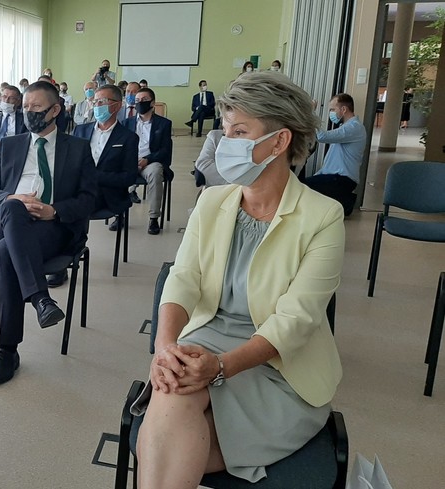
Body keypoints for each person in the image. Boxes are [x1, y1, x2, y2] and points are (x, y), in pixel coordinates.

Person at [132, 72, 344, 489]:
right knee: (175, 396)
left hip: (280, 365)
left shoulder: (323, 216)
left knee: (166, 437)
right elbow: (183, 278)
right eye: (225, 131)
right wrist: (165, 347)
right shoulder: (213, 201)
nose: (224, 143)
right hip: (206, 339)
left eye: (239, 132)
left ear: (279, 142)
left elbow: (296, 320)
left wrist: (220, 367)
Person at [0, 81, 97, 385]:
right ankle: (40, 298)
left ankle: (7, 351)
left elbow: (89, 199)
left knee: (6, 252)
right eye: (25, 107)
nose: (28, 112)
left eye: (36, 107)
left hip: (50, 227)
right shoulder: (10, 145)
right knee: (12, 208)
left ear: (55, 110)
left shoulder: (78, 148)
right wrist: (11, 199)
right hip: (3, 219)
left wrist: (54, 210)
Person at [71, 84, 139, 234]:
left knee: (71, 208)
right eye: (95, 102)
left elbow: (129, 177)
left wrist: (94, 176)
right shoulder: (80, 131)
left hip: (106, 193)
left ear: (117, 106)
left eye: (102, 101)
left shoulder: (128, 138)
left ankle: (75, 243)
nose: (97, 105)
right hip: (77, 188)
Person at [304, 93, 366, 216]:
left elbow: (321, 136)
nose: (331, 113)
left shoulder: (354, 128)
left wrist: (310, 113)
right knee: (304, 185)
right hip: (333, 177)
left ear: (344, 109)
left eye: (332, 109)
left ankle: (344, 202)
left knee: (303, 188)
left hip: (341, 179)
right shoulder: (346, 127)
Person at [122, 87, 172, 235]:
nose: (140, 103)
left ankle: (153, 218)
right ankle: (119, 215)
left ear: (152, 103)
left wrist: (147, 159)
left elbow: (165, 150)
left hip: (150, 161)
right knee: (117, 173)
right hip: (130, 161)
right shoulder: (126, 123)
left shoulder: (163, 124)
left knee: (156, 173)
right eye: (137, 100)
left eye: (144, 100)